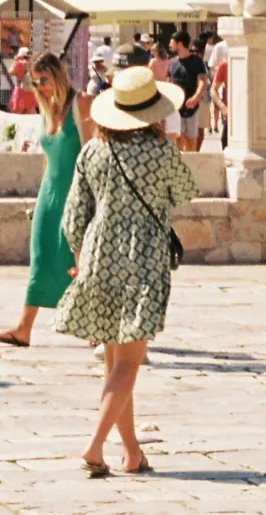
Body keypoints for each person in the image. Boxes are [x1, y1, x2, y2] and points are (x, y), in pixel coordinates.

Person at [57, 64, 197, 477]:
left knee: (115, 361)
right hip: (143, 256)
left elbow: (73, 216)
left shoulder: (93, 151)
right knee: (129, 361)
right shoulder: (161, 152)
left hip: (99, 254)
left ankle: (132, 452)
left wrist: (81, 257)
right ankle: (94, 447)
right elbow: (185, 192)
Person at [0, 53, 89, 347]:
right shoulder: (46, 110)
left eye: (44, 80)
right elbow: (49, 159)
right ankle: (24, 328)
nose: (40, 88)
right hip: (49, 195)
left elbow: (93, 151)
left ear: (58, 75)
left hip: (76, 194)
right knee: (41, 257)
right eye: (34, 83)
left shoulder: (81, 104)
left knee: (81, 262)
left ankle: (95, 327)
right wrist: (39, 199)